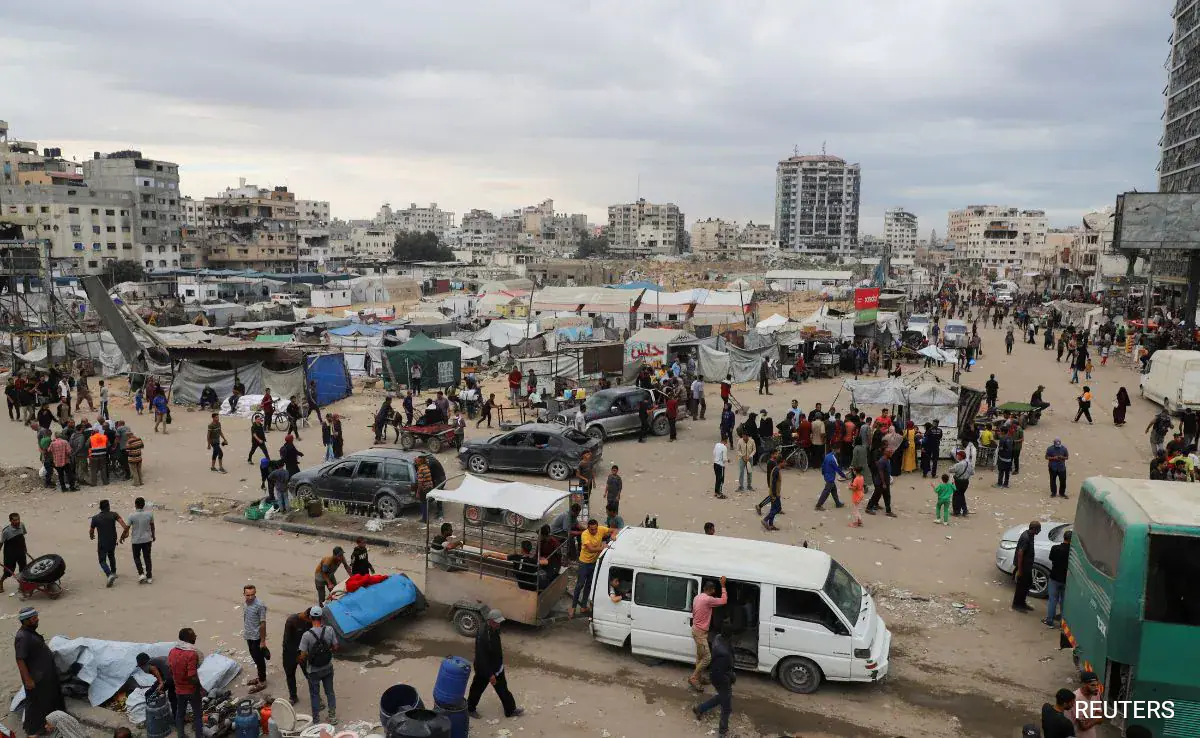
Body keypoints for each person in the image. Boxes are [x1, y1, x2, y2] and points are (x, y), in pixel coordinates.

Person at [16, 607, 65, 737]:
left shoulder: (30, 633)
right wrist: (28, 680)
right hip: (35, 678)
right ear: (25, 621)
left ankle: (48, 724)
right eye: (34, 618)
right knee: (36, 704)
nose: (37, 619)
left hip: (43, 675)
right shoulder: (22, 637)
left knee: (48, 701)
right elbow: (20, 659)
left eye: (36, 617)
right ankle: (33, 731)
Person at [467, 609, 523, 719]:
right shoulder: (483, 635)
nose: (499, 624)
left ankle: (510, 710)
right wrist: (490, 674)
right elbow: (481, 657)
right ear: (491, 621)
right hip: (484, 669)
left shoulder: (495, 629)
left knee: (503, 689)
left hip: (497, 668)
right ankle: (470, 709)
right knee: (477, 689)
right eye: (497, 622)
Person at [692, 622, 735, 738]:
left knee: (722, 697)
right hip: (721, 679)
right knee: (726, 707)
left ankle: (700, 709)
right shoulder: (724, 654)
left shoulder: (718, 638)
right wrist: (730, 677)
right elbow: (721, 672)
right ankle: (722, 732)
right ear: (731, 635)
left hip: (716, 676)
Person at [299, 605, 339, 724]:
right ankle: (332, 717)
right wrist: (328, 651)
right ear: (321, 617)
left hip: (313, 670)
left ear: (311, 618)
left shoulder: (306, 635)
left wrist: (308, 656)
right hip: (327, 667)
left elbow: (302, 655)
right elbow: (336, 646)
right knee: (330, 692)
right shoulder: (329, 630)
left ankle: (316, 720)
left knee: (315, 695)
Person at [688, 575, 728, 690]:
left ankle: (699, 677)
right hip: (700, 632)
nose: (714, 591)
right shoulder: (708, 600)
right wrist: (723, 585)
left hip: (696, 629)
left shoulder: (697, 597)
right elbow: (724, 600)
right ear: (711, 590)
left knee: (700, 656)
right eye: (714, 590)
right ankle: (694, 678)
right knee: (707, 658)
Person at [570, 519, 614, 618]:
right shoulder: (585, 534)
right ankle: (573, 607)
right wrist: (603, 547)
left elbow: (614, 530)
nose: (594, 531)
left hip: (594, 563)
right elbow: (590, 549)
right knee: (580, 584)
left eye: (595, 529)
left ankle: (583, 606)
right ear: (588, 528)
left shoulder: (601, 529)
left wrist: (613, 535)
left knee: (589, 585)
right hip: (584, 563)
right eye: (591, 530)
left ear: (597, 527)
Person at [168, 627, 204, 738]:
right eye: (193, 635)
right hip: (191, 690)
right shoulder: (192, 654)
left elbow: (170, 670)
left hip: (179, 689)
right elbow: (192, 676)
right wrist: (200, 688)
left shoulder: (172, 651)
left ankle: (181, 735)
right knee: (198, 715)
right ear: (187, 638)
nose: (195, 636)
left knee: (180, 714)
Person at [90, 499, 129, 587]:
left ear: (100, 508)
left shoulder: (95, 518)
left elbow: (91, 530)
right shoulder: (114, 514)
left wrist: (91, 536)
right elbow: (124, 525)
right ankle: (114, 572)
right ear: (108, 506)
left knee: (102, 560)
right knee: (111, 555)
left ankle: (109, 574)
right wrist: (125, 534)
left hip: (102, 542)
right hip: (112, 540)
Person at [281, 608, 313, 706]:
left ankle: (316, 697)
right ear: (306, 616)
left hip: (303, 653)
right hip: (289, 653)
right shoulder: (291, 621)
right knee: (290, 675)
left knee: (310, 676)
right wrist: (298, 655)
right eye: (311, 620)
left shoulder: (310, 622)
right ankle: (293, 697)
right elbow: (287, 641)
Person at [243, 584, 269, 691]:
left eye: (252, 595)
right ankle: (260, 677)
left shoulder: (260, 605)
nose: (250, 597)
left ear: (255, 593)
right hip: (248, 635)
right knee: (254, 657)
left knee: (259, 659)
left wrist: (262, 641)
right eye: (248, 595)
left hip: (257, 637)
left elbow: (263, 624)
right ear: (244, 594)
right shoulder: (245, 603)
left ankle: (262, 681)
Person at [137, 652, 175, 723]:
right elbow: (160, 673)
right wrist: (160, 683)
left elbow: (153, 669)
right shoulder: (155, 660)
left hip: (171, 676)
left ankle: (160, 718)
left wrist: (161, 683)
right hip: (173, 674)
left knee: (171, 696)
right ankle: (175, 717)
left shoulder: (147, 665)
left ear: (141, 664)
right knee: (172, 696)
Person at [1012, 521, 1041, 612]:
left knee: (1027, 584)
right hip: (1023, 567)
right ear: (1033, 529)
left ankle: (1022, 602)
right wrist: (1020, 570)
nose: (1040, 531)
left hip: (1027, 566)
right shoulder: (1026, 538)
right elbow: (1020, 554)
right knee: (1021, 586)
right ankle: (1017, 604)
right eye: (1038, 529)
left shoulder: (1030, 535)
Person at [1045, 531, 1071, 627]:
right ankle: (1062, 624)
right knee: (1064, 602)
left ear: (1064, 537)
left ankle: (1050, 621)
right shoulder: (1072, 552)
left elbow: (1051, 558)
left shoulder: (1055, 548)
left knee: (1052, 600)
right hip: (1066, 580)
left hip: (1054, 577)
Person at [128, 497, 155, 584]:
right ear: (143, 505)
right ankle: (149, 577)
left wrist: (122, 537)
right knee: (147, 558)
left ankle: (141, 573)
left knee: (136, 557)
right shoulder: (149, 514)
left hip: (136, 540)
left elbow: (127, 528)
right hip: (147, 539)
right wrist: (153, 535)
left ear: (135, 505)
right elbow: (152, 526)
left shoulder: (131, 515)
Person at [1071, 670, 1105, 738]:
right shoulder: (1076, 698)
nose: (1096, 688)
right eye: (1092, 685)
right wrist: (1096, 719)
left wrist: (1092, 720)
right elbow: (1083, 727)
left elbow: (1100, 717)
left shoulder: (1096, 693)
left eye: (1097, 685)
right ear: (1084, 684)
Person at [1, 512, 28, 592]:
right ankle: (1, 582)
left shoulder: (22, 525)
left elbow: (22, 537)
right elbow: (1, 543)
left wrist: (25, 548)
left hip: (21, 552)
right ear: (10, 521)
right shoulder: (6, 531)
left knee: (23, 569)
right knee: (8, 571)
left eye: (18, 519)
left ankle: (21, 586)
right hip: (10, 554)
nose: (17, 521)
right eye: (15, 520)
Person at [817, 446, 847, 511]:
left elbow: (823, 465)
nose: (840, 450)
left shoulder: (827, 456)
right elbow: (837, 469)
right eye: (839, 449)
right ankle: (818, 505)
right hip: (830, 477)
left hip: (827, 476)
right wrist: (844, 476)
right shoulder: (833, 459)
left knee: (834, 490)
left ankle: (838, 503)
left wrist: (823, 473)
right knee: (826, 492)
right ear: (836, 449)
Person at [762, 451, 783, 531]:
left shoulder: (776, 469)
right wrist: (774, 495)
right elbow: (773, 484)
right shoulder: (776, 470)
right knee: (778, 509)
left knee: (773, 509)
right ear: (781, 462)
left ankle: (770, 525)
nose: (785, 464)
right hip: (775, 494)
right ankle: (765, 519)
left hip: (775, 493)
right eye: (784, 462)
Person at [949, 449, 973, 516]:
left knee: (956, 496)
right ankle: (965, 510)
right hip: (966, 482)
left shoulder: (958, 464)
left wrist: (952, 467)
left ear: (960, 456)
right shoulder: (969, 464)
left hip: (958, 482)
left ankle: (956, 512)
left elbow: (950, 470)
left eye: (957, 455)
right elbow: (972, 472)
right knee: (961, 495)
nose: (957, 456)